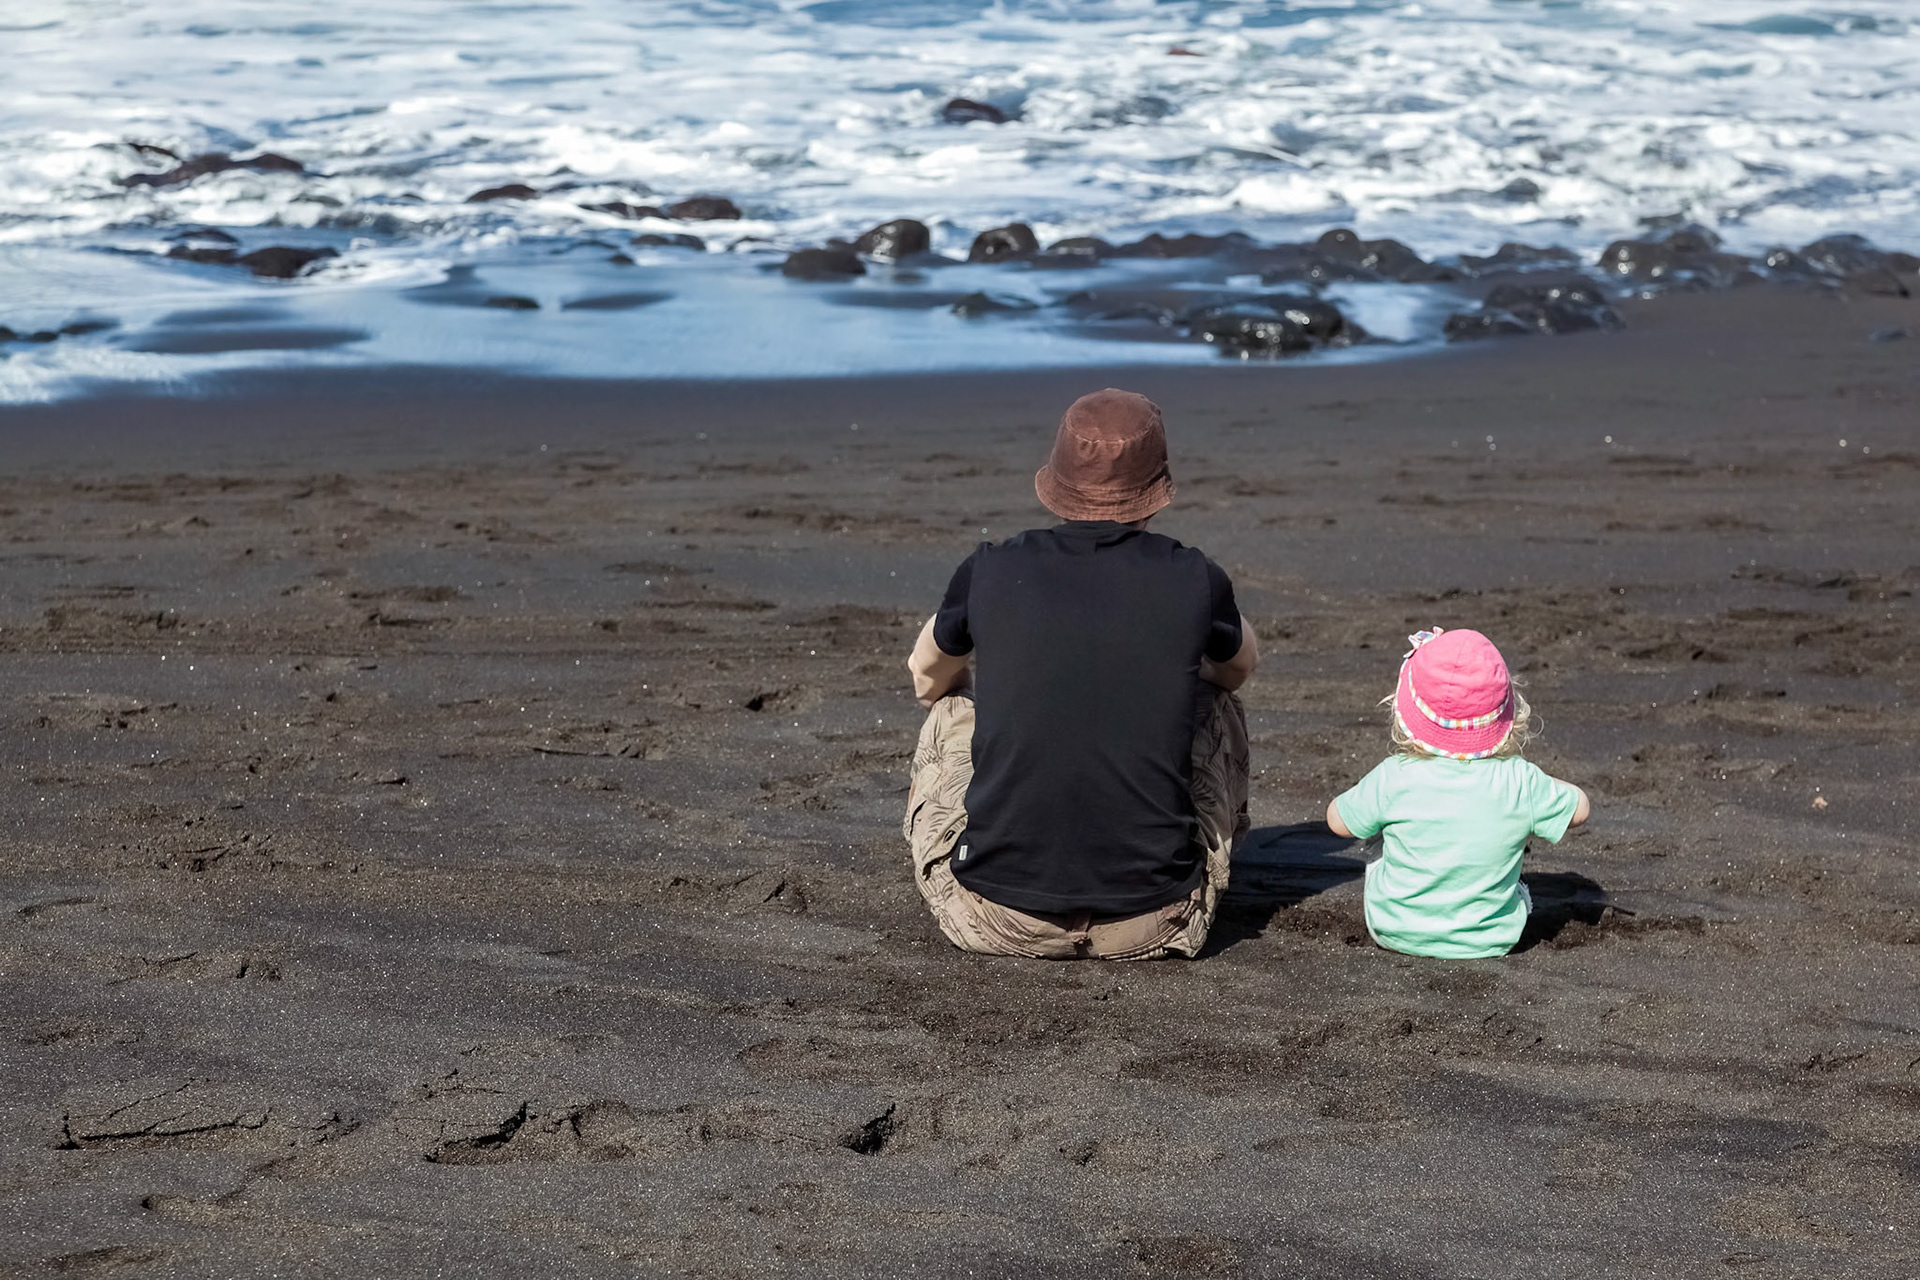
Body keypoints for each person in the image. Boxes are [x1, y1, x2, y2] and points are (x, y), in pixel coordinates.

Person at [902, 388, 1258, 960]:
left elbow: (925, 677)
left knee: (953, 706)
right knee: (1215, 702)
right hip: (1156, 919)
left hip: (992, 916)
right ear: (1156, 493)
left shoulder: (992, 568)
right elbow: (1239, 669)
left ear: (1056, 483)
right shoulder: (1194, 575)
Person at [1325, 627, 1591, 959]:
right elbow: (1579, 810)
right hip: (1493, 937)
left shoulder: (1395, 775)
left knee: (1380, 835)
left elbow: (1338, 822)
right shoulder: (1520, 781)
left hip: (1393, 929)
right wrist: (1550, 787)